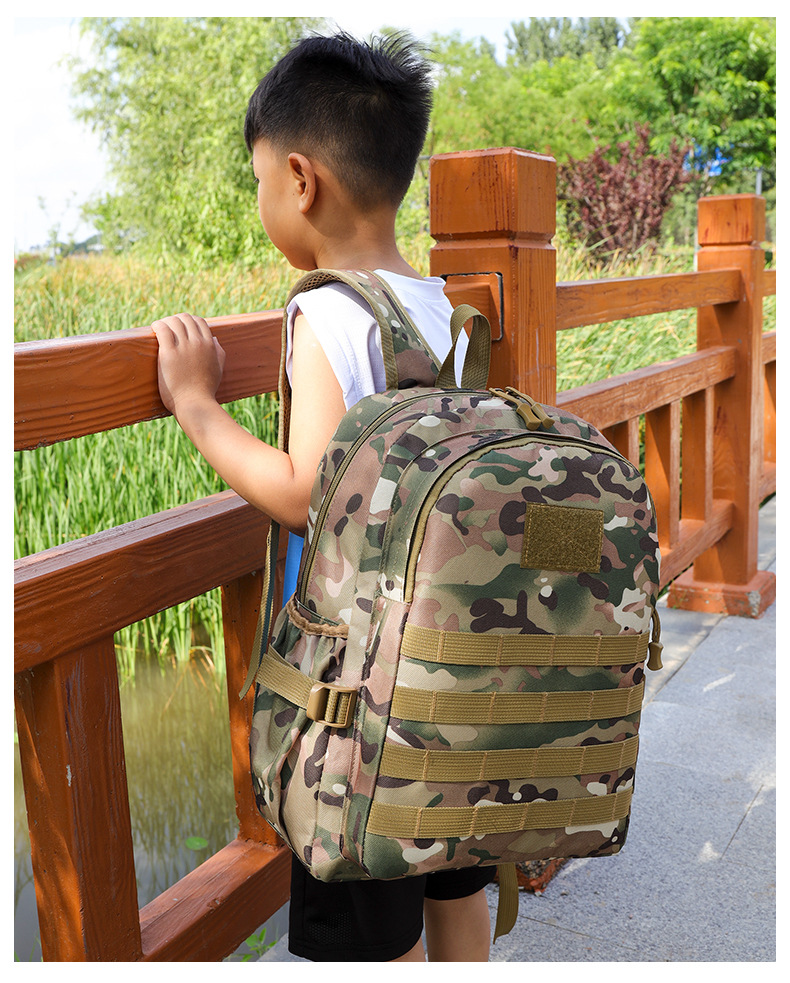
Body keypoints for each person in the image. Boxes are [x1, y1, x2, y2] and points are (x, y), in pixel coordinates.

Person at [152, 31, 495, 962]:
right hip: (454, 671)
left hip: (363, 695)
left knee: (373, 917)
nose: (264, 198)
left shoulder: (328, 310)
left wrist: (195, 404)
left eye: (261, 180)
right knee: (455, 879)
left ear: (300, 180)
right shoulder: (445, 307)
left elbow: (307, 492)